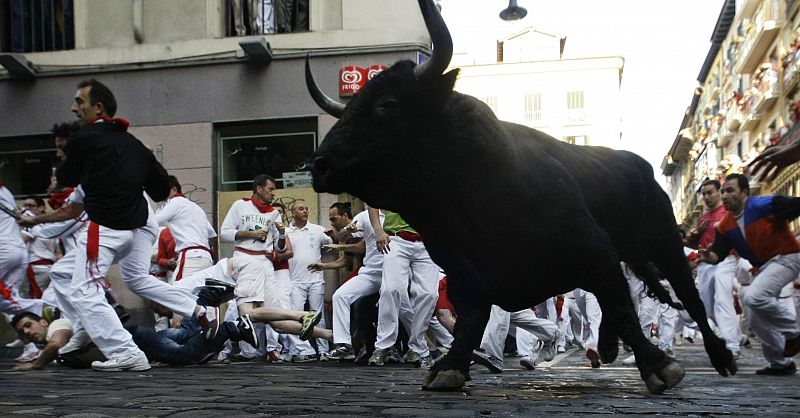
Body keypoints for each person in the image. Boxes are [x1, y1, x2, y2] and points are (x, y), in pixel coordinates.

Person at [19, 79, 215, 372]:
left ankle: (123, 349)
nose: (74, 107)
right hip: (137, 225)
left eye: (80, 102)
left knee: (84, 288)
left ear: (97, 107)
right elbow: (161, 190)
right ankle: (195, 308)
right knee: (122, 277)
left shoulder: (84, 141)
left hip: (108, 225)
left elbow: (69, 183)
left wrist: (36, 219)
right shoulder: (133, 144)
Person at [699, 173, 800, 376]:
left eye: (730, 190)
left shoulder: (764, 205)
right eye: (724, 191)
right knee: (755, 319)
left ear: (745, 193)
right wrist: (708, 256)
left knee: (754, 297)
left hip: (787, 257)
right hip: (764, 267)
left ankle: (794, 332)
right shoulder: (726, 224)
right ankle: (780, 363)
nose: (725, 195)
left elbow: (796, 205)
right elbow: (718, 252)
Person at [219, 174, 290, 361]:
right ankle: (247, 350)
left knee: (273, 304)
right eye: (270, 189)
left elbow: (279, 247)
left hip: (264, 262)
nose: (273, 194)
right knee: (244, 307)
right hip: (243, 257)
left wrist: (282, 234)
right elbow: (224, 234)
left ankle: (273, 349)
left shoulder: (273, 213)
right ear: (259, 189)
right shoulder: (240, 205)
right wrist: (249, 233)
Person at [369, 208, 441, 368]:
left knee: (429, 294)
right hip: (396, 239)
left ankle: (416, 347)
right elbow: (373, 203)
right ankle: (382, 346)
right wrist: (378, 230)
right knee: (391, 289)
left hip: (428, 242)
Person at [686, 179, 742, 357]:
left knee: (723, 299)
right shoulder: (703, 217)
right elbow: (692, 243)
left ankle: (733, 345)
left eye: (710, 192)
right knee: (708, 307)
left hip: (725, 260)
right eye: (704, 194)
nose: (706, 197)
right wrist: (695, 236)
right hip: (705, 264)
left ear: (720, 192)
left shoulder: (728, 212)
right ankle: (732, 335)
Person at [285, 201, 332, 362]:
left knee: (318, 316)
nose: (305, 211)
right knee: (296, 316)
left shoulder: (318, 230)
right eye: (301, 209)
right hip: (295, 281)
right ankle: (300, 350)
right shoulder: (286, 232)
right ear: (293, 213)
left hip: (315, 280)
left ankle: (323, 350)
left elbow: (333, 242)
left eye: (306, 208)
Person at [154, 175, 216, 283]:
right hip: (206, 258)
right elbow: (212, 236)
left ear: (173, 190)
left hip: (191, 256)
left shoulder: (174, 202)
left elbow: (152, 222)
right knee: (194, 296)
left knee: (176, 294)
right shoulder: (197, 208)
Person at [20, 196, 59, 299]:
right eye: (25, 205)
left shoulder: (33, 226)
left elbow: (21, 240)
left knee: (34, 300)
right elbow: (58, 253)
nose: (27, 209)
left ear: (41, 208)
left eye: (31, 206)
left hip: (36, 267)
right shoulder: (52, 226)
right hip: (50, 268)